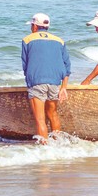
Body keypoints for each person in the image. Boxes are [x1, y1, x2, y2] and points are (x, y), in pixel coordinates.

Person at [21, 13, 71, 142]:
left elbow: (25, 64)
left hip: (37, 82)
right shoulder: (59, 40)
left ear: (35, 26)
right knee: (53, 115)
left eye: (32, 25)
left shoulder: (27, 39)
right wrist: (64, 87)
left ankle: (45, 150)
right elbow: (67, 66)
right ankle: (58, 144)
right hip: (55, 82)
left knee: (40, 119)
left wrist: (29, 82)